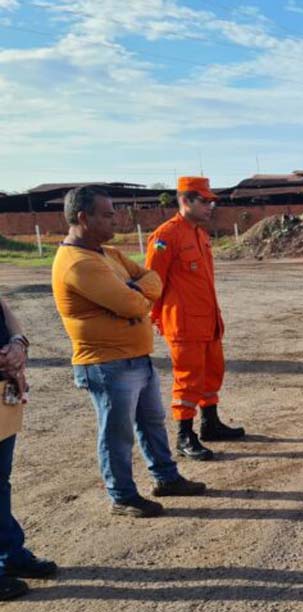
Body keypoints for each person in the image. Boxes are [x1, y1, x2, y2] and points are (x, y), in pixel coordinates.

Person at [52, 185, 206, 519]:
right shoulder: (79, 263)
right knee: (117, 433)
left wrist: (137, 291)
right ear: (83, 218)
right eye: (108, 215)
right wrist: (137, 294)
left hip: (135, 358)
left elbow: (150, 279)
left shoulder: (106, 254)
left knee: (151, 422)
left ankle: (165, 477)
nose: (115, 221)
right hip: (107, 364)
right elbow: (132, 303)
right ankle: (122, 495)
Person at [145, 176, 244, 463]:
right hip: (184, 324)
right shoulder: (166, 236)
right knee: (188, 381)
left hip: (209, 321)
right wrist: (155, 318)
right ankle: (185, 436)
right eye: (204, 200)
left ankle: (210, 423)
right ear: (185, 200)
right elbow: (152, 282)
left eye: (211, 200)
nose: (210, 205)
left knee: (212, 374)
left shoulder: (199, 234)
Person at [0, 298, 56, 601]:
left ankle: (10, 555)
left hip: (2, 391)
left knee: (0, 481)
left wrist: (18, 342)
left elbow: (3, 306)